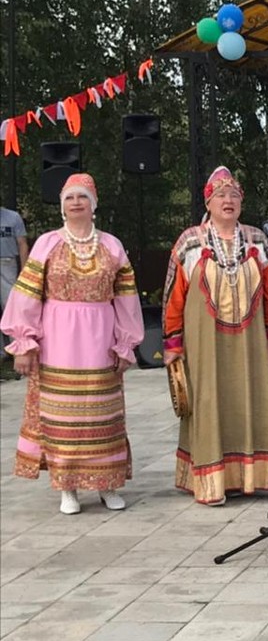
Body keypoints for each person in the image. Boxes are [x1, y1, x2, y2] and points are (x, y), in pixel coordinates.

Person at [1, 174, 142, 514]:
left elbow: (126, 298)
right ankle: (69, 487)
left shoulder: (111, 245)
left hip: (100, 339)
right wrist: (24, 341)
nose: (76, 202)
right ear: (62, 206)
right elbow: (27, 294)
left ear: (93, 204)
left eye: (82, 197)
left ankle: (107, 483)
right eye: (70, 198)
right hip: (58, 341)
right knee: (60, 415)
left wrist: (126, 343)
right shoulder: (48, 243)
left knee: (103, 412)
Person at [162, 166, 268, 506]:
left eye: (234, 195)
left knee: (251, 398)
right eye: (220, 195)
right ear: (208, 201)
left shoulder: (257, 240)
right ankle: (210, 483)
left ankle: (251, 477)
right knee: (207, 402)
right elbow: (174, 295)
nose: (228, 201)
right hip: (204, 345)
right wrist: (173, 343)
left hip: (250, 345)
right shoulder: (189, 241)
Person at [0, 205, 29, 356]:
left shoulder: (13, 217)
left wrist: (25, 271)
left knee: (11, 306)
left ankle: (18, 347)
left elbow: (22, 244)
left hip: (7, 262)